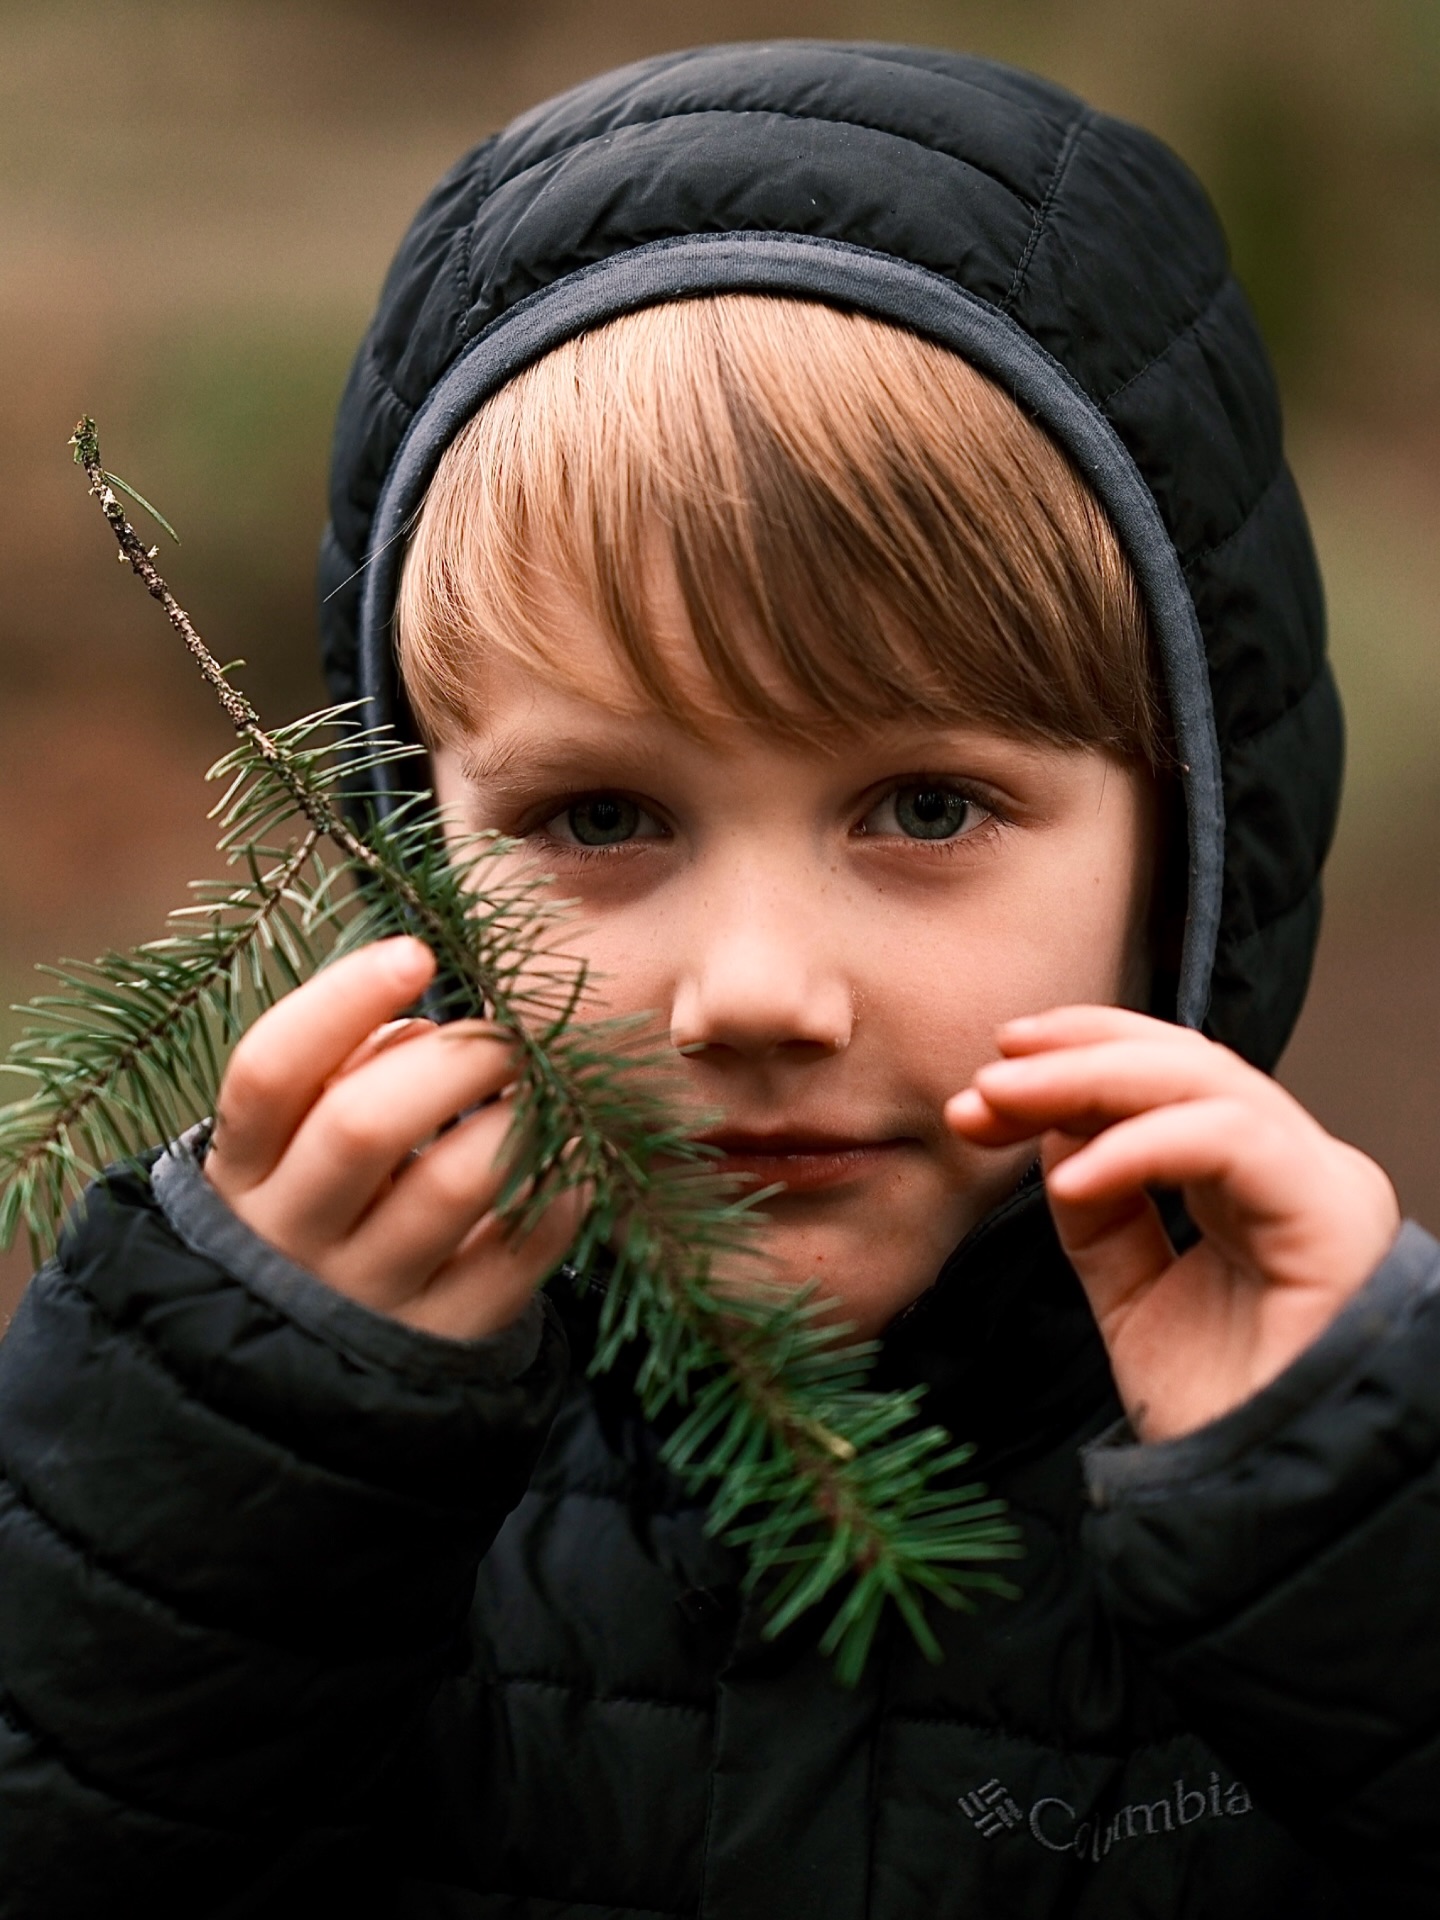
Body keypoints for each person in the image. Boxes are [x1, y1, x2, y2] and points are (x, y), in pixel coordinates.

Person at [1, 40, 1437, 1920]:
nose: (754, 995)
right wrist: (220, 1467)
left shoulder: (1346, 1491)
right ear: (404, 833)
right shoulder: (290, 1465)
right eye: (600, 815)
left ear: (1191, 834)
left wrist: (1362, 1517)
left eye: (926, 805)